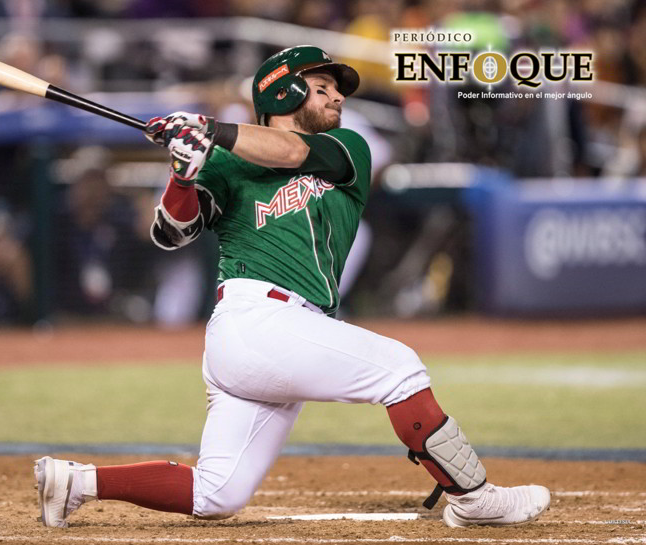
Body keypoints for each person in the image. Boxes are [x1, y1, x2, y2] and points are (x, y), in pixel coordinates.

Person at [34, 46, 551, 529]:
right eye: (323, 86)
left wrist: (209, 129)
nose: (338, 96)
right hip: (254, 319)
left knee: (217, 495)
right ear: (285, 92)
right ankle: (475, 498)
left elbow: (285, 151)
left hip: (283, 331)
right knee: (400, 369)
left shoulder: (346, 148)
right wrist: (183, 172)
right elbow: (170, 232)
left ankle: (76, 481)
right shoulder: (224, 163)